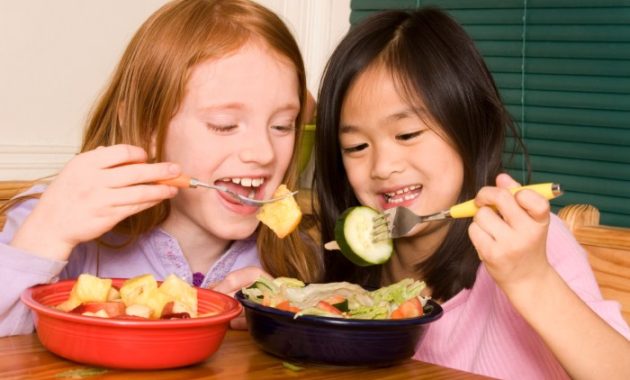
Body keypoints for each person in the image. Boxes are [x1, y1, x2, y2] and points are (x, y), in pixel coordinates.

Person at [313, 7, 630, 379]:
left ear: (469, 126)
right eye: (356, 147)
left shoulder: (531, 246)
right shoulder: (346, 274)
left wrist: (531, 279)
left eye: (407, 134)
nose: (382, 166)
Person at [0, 0, 323, 336]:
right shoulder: (54, 221)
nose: (263, 152)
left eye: (283, 125)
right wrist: (46, 234)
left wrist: (279, 317)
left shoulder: (294, 257)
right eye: (224, 125)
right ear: (146, 127)